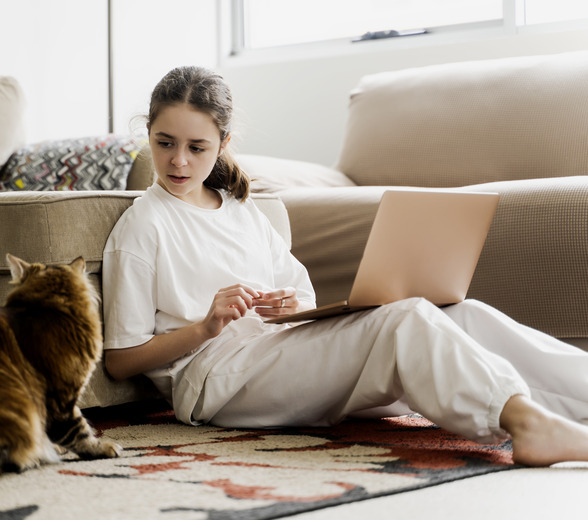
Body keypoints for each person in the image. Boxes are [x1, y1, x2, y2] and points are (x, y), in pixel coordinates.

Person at [102, 65, 588, 467]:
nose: (179, 162)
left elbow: (301, 298)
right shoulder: (142, 227)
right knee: (406, 321)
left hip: (278, 353)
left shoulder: (243, 211)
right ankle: (528, 425)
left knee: (462, 315)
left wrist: (290, 305)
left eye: (197, 147)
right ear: (147, 133)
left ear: (224, 143)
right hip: (215, 381)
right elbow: (121, 359)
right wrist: (205, 327)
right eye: (165, 143)